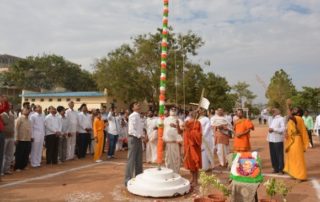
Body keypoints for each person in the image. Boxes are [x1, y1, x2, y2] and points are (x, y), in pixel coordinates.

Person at [284, 107, 309, 181]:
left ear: (299, 113)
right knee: (292, 157)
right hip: (291, 140)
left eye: (295, 109)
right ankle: (294, 173)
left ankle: (301, 176)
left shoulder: (298, 118)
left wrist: (288, 108)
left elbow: (291, 117)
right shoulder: (292, 118)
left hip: (296, 140)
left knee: (298, 159)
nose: (293, 110)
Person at [124, 102, 144, 186]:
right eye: (136, 104)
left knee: (139, 159)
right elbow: (131, 130)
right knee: (131, 159)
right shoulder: (132, 116)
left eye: (138, 104)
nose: (138, 105)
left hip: (138, 138)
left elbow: (139, 129)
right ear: (132, 108)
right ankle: (127, 180)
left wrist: (142, 135)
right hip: (133, 138)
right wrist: (140, 136)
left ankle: (139, 177)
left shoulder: (139, 116)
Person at [184, 110, 202, 186]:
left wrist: (189, 131)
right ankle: (192, 178)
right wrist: (179, 126)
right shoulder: (187, 122)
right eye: (191, 113)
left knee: (195, 163)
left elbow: (199, 134)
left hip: (194, 146)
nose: (192, 114)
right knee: (189, 163)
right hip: (187, 145)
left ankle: (196, 180)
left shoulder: (198, 123)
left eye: (194, 113)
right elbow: (182, 131)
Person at [163, 107, 183, 174]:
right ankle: (168, 172)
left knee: (176, 158)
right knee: (168, 158)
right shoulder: (165, 120)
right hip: (168, 142)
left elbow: (181, 131)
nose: (173, 111)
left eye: (174, 110)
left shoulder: (179, 120)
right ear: (169, 111)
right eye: (172, 109)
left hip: (175, 143)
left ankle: (176, 172)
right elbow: (163, 129)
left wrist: (176, 125)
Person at [267, 108, 285, 174]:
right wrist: (267, 109)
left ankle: (281, 169)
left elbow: (283, 129)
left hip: (278, 139)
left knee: (279, 155)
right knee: (273, 155)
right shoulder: (271, 118)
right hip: (271, 139)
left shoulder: (281, 118)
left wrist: (274, 129)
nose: (273, 111)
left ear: (279, 111)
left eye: (275, 111)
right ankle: (275, 168)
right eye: (273, 111)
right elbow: (262, 114)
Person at [1, 102, 14, 175]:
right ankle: (1, 170)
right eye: (8, 105)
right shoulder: (2, 115)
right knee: (3, 154)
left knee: (9, 154)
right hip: (4, 136)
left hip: (11, 136)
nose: (10, 107)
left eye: (10, 105)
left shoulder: (12, 115)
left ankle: (7, 169)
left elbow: (13, 126)